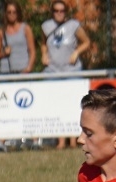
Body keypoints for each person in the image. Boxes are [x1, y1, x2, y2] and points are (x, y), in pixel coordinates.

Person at [41, 1, 91, 149]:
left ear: (66, 12)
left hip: (72, 70)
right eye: (56, 11)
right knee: (56, 104)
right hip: (53, 70)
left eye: (62, 11)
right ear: (52, 12)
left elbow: (86, 42)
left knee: (74, 104)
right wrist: (44, 54)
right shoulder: (46, 26)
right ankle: (61, 141)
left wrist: (76, 52)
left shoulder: (73, 25)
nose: (59, 13)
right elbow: (43, 43)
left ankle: (73, 139)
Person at [0, 1, 35, 75]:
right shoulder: (1, 32)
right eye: (9, 12)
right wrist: (4, 54)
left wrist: (29, 67)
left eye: (14, 12)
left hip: (23, 70)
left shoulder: (25, 28)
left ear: (18, 13)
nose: (11, 15)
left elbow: (32, 51)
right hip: (6, 71)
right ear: (6, 14)